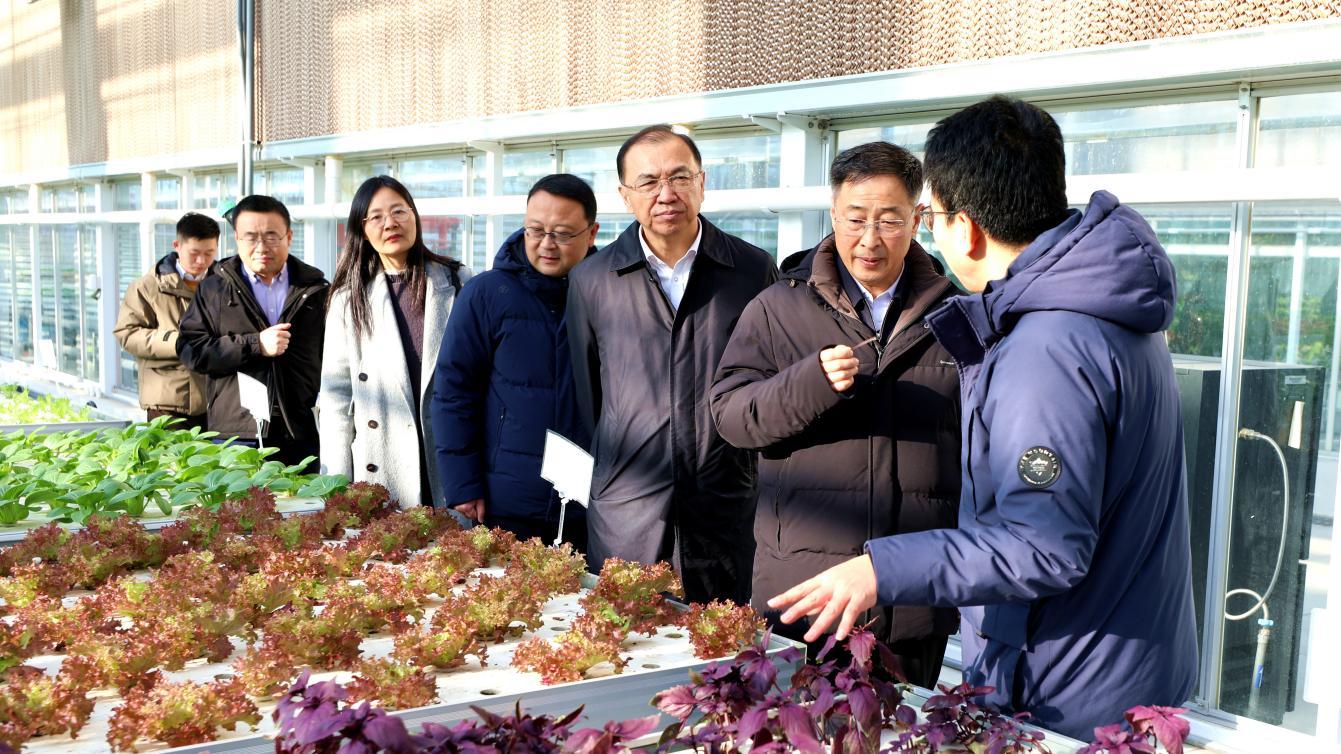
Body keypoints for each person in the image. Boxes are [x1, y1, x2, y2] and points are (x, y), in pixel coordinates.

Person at [768, 95, 1198, 738]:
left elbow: (1042, 544)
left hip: (1068, 690)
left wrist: (880, 569)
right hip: (1118, 662)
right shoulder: (1105, 309)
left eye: (930, 215)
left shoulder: (1047, 349)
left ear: (965, 228)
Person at [709, 142, 960, 686]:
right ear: (833, 214)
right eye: (855, 218)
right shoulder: (779, 306)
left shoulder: (954, 312)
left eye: (889, 220)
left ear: (918, 218)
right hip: (805, 596)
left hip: (911, 597)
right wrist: (810, 383)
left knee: (905, 727)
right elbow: (730, 416)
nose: (870, 239)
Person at [567, 125, 779, 603]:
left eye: (680, 177)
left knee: (720, 641)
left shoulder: (751, 270)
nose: (666, 194)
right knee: (627, 635)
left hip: (725, 501)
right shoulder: (592, 279)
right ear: (625, 196)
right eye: (648, 182)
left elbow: (769, 385)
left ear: (702, 183)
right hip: (627, 510)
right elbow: (589, 397)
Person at [432, 174, 597, 544]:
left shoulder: (611, 293)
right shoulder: (487, 293)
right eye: (535, 230)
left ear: (591, 233)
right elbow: (454, 393)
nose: (547, 244)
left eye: (563, 234)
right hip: (506, 499)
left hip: (593, 501)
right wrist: (462, 484)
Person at [317, 176, 468, 510]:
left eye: (399, 211)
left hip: (448, 458)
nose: (390, 223)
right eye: (376, 217)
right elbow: (336, 399)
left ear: (414, 215)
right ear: (361, 230)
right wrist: (336, 486)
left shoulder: (458, 281)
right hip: (382, 463)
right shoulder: (348, 299)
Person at [177, 194, 329, 470]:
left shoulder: (315, 289)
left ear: (289, 237)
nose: (261, 247)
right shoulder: (214, 289)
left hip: (299, 429)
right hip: (238, 433)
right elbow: (191, 350)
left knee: (302, 498)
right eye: (250, 237)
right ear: (237, 238)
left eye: (271, 236)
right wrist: (254, 344)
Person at [113, 212, 220, 430]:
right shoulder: (147, 287)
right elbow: (127, 334)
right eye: (194, 253)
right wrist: (177, 342)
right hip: (167, 400)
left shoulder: (224, 284)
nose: (202, 261)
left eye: (209, 253)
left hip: (216, 398)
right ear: (177, 246)